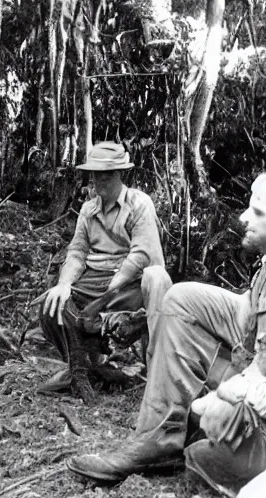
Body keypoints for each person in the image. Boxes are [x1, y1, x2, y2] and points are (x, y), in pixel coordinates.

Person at [66, 168, 266, 498]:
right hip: (264, 380)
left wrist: (228, 393)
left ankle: (210, 439)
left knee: (211, 426)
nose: (244, 217)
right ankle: (159, 440)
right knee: (182, 299)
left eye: (258, 212)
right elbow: (254, 323)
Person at [34, 141, 170, 401]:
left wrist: (110, 291)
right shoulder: (88, 209)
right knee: (54, 306)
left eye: (108, 173)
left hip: (131, 282)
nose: (101, 180)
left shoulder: (139, 203)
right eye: (97, 173)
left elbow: (142, 253)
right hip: (94, 280)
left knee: (147, 291)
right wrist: (64, 285)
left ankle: (156, 372)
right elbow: (77, 252)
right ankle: (83, 368)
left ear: (120, 174)